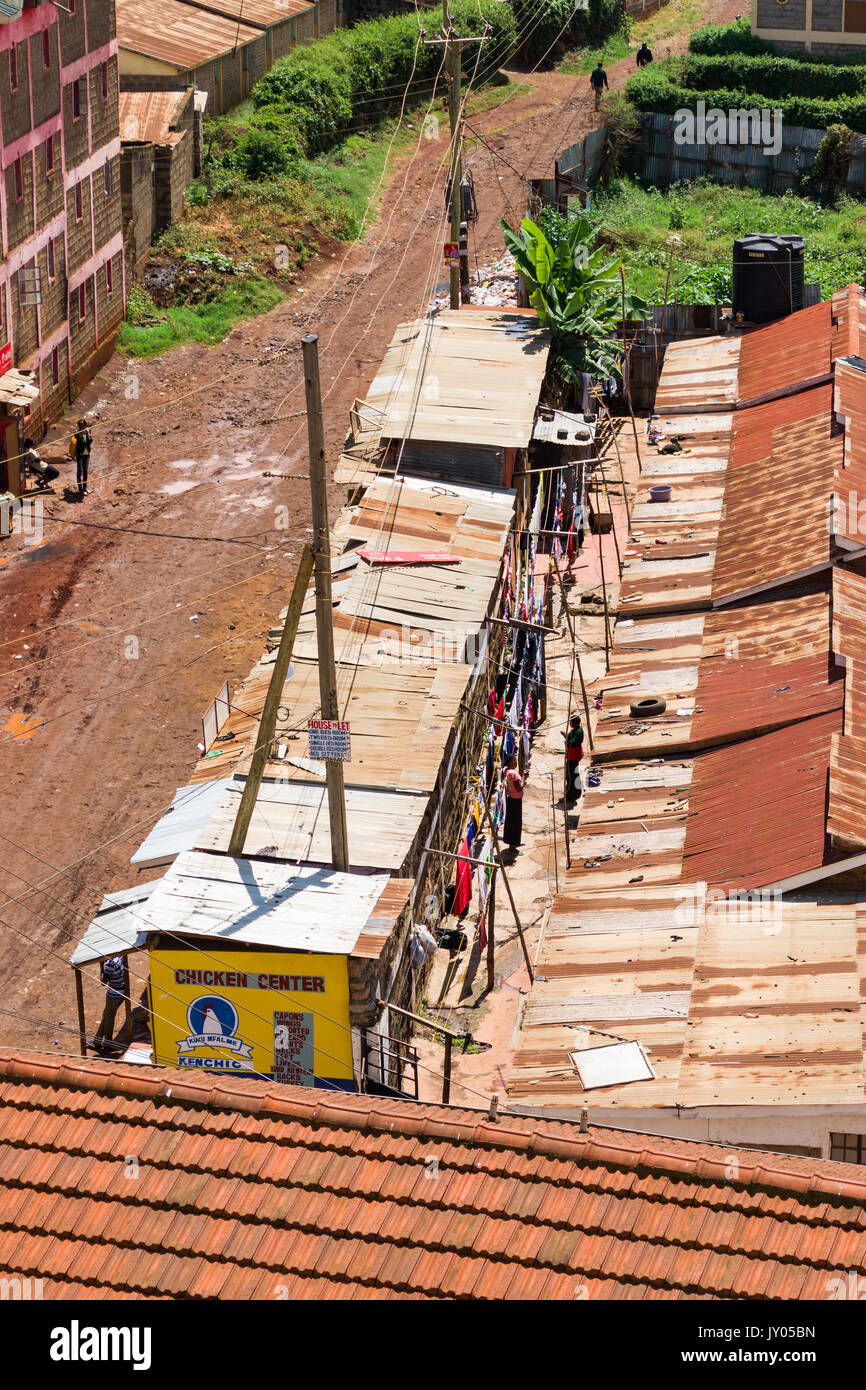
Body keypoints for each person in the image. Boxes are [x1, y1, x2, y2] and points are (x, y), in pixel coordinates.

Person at [91, 955, 126, 1054]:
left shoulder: (110, 964)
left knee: (109, 1017)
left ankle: (108, 1043)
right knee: (107, 1016)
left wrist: (101, 965)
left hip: (114, 994)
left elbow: (103, 982)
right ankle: (97, 1041)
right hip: (122, 991)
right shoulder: (120, 957)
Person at [503, 754, 524, 850]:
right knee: (516, 823)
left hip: (510, 798)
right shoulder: (513, 774)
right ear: (510, 763)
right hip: (516, 800)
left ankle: (512, 844)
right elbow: (519, 788)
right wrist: (524, 778)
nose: (516, 763)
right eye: (514, 761)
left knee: (510, 822)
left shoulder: (506, 771)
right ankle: (513, 846)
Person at [564, 714, 585, 805]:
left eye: (571, 722)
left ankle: (570, 796)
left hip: (573, 757)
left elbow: (572, 743)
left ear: (575, 723)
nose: (570, 724)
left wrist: (566, 737)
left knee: (570, 777)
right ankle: (575, 794)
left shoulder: (578, 732)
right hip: (573, 756)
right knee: (573, 776)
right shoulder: (577, 730)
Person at [74, 417, 93, 496]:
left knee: (85, 471)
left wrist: (88, 434)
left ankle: (85, 487)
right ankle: (80, 488)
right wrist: (80, 433)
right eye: (80, 426)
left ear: (85, 425)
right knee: (80, 470)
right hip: (80, 454)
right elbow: (80, 440)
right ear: (78, 426)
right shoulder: (77, 433)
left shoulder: (88, 431)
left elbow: (90, 441)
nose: (82, 427)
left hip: (86, 454)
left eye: (83, 425)